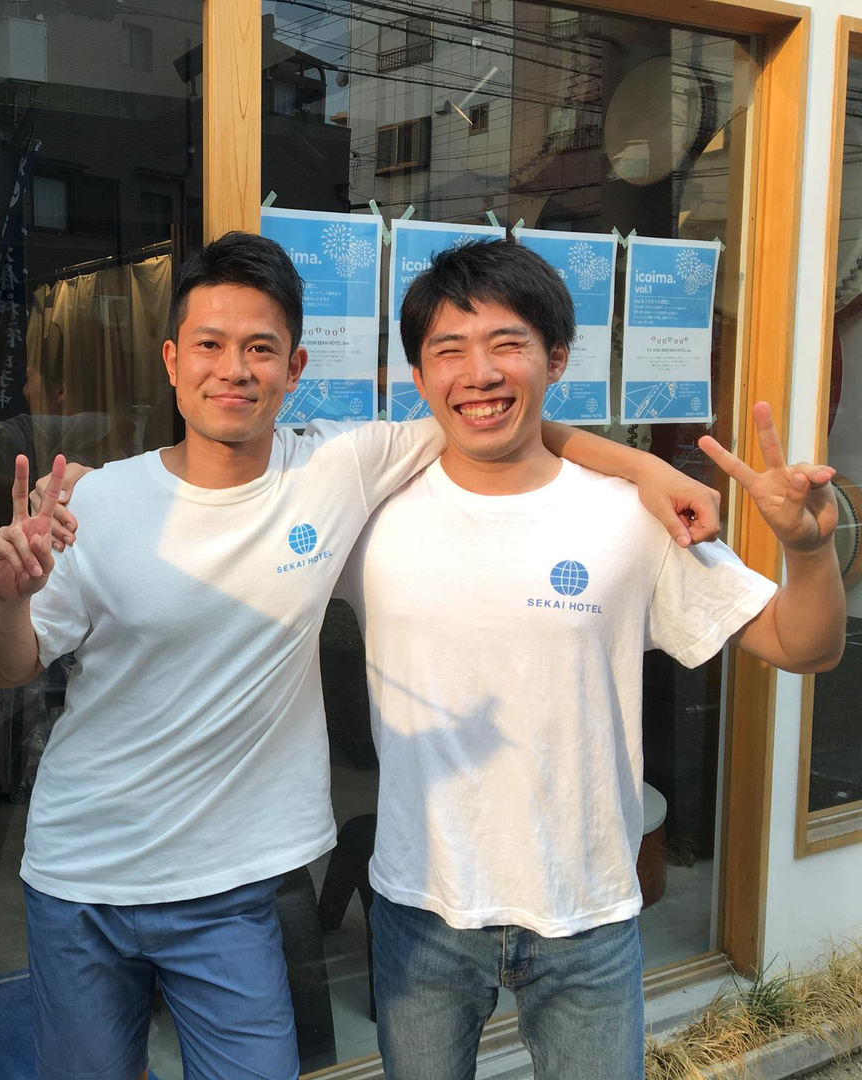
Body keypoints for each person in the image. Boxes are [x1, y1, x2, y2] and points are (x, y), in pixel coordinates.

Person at [0, 231, 724, 1079]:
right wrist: (6, 599)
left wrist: (642, 468)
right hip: (84, 871)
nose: (234, 370)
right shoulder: (99, 501)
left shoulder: (340, 465)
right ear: (172, 361)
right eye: (210, 346)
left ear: (294, 368)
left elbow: (497, 417)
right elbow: (10, 665)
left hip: (234, 883)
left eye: (261, 349)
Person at [332, 239, 845, 1080]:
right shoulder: (370, 511)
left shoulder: (632, 516)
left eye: (507, 344)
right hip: (422, 905)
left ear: (557, 358)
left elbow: (806, 645)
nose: (479, 374)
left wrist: (809, 550)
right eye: (449, 351)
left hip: (589, 913)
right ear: (418, 377)